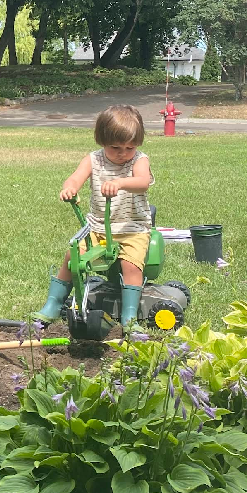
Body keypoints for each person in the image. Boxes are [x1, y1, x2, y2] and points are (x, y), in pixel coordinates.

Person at [35, 105, 154, 339]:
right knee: (73, 257)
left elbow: (142, 182)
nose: (123, 153)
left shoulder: (139, 160)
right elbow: (76, 177)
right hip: (97, 227)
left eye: (130, 147)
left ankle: (129, 315)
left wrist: (120, 182)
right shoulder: (93, 160)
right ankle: (53, 304)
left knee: (131, 266)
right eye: (115, 147)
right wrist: (70, 188)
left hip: (132, 229)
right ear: (102, 141)